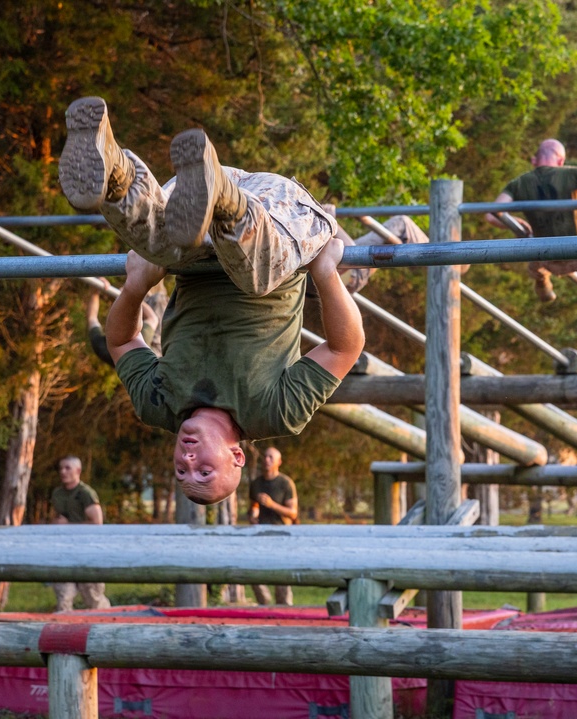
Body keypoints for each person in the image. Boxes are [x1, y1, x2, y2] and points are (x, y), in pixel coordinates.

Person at [58, 96, 365, 505]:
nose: (187, 457)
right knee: (256, 273)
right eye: (204, 468)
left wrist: (136, 286)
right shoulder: (277, 413)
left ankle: (113, 170)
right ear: (237, 456)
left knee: (159, 245)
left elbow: (121, 342)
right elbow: (346, 348)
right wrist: (325, 274)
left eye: (181, 469)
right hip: (273, 216)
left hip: (192, 231)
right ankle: (222, 197)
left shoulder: (159, 406)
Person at [485, 138, 577, 302]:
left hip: (547, 259)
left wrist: (517, 220)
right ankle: (542, 278)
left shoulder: (519, 183)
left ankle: (541, 279)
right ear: (561, 160)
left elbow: (491, 215)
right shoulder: (571, 173)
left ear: (534, 161)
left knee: (530, 238)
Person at [49, 455, 111, 612]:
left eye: (67, 468)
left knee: (93, 597)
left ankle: (108, 628)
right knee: (64, 597)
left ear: (78, 471)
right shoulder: (57, 493)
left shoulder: (85, 493)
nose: (63, 472)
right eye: (61, 468)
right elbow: (56, 519)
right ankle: (63, 633)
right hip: (63, 553)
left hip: (87, 552)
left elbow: (97, 523)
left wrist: (68, 525)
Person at [248, 447, 298, 605]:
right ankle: (264, 604)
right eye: (265, 456)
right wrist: (253, 516)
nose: (266, 460)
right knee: (252, 570)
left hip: (281, 534)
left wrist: (271, 504)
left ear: (279, 462)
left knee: (282, 575)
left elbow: (293, 513)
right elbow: (254, 507)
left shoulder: (285, 483)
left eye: (271, 457)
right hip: (260, 534)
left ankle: (284, 609)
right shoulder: (256, 483)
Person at [86, 280, 165, 366]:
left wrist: (95, 290)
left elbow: (92, 318)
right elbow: (153, 318)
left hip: (137, 359)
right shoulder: (138, 345)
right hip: (156, 352)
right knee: (157, 299)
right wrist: (128, 295)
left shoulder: (102, 347)